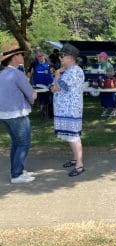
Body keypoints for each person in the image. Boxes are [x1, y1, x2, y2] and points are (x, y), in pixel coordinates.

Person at [0, 43, 37, 183]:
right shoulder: (17, 74)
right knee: (23, 143)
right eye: (20, 54)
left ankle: (17, 170)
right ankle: (17, 174)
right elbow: (31, 94)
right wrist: (35, 96)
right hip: (17, 114)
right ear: (14, 57)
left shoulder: (2, 74)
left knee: (16, 143)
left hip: (4, 114)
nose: (23, 56)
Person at [50, 43, 85, 176]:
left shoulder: (75, 71)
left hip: (70, 110)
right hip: (65, 110)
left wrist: (57, 74)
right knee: (70, 136)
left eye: (62, 56)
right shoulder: (70, 71)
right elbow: (56, 88)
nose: (60, 58)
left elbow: (57, 87)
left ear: (71, 57)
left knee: (73, 137)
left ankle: (79, 165)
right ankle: (76, 158)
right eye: (60, 55)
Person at [27, 50, 54, 117]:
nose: (40, 57)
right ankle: (42, 111)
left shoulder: (49, 64)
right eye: (38, 56)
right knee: (41, 98)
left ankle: (50, 113)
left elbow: (54, 72)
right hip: (38, 86)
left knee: (50, 99)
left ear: (44, 56)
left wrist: (54, 80)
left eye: (41, 56)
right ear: (36, 57)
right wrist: (27, 80)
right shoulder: (34, 63)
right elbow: (29, 72)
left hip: (48, 85)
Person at [97, 51, 116, 117]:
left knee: (111, 97)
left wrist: (105, 73)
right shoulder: (100, 65)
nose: (99, 58)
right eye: (99, 57)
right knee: (103, 97)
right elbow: (99, 74)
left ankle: (114, 111)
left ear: (105, 58)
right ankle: (105, 110)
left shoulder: (109, 65)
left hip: (109, 84)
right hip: (102, 84)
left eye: (100, 57)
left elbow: (113, 74)